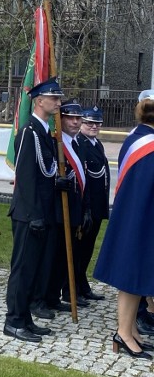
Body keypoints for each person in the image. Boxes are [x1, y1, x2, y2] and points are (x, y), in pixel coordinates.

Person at [3, 77, 70, 343]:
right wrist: (34, 215)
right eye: (53, 98)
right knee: (22, 269)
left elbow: (44, 173)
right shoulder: (29, 131)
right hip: (29, 214)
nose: (58, 102)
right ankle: (14, 320)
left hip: (40, 211)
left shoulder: (42, 131)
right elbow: (27, 177)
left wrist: (56, 183)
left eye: (58, 98)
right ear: (39, 101)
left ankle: (25, 317)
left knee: (33, 269)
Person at [93, 90, 154, 359]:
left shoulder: (137, 137)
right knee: (131, 276)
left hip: (138, 215)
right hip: (141, 218)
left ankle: (131, 331)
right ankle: (124, 333)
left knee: (135, 277)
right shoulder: (148, 144)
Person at [35, 99, 86, 319]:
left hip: (74, 208)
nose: (75, 122)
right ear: (60, 119)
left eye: (78, 118)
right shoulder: (55, 143)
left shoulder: (79, 144)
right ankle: (41, 298)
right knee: (49, 258)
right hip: (56, 210)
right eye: (70, 118)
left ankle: (54, 296)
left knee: (63, 260)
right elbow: (44, 175)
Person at [75, 106, 109, 302]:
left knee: (88, 248)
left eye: (97, 123)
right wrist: (85, 208)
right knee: (79, 248)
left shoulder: (97, 144)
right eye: (89, 122)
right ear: (82, 123)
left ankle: (83, 284)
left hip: (97, 205)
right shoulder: (80, 144)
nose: (94, 126)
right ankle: (72, 288)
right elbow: (83, 179)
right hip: (86, 206)